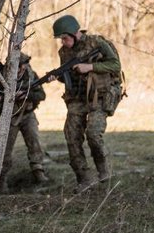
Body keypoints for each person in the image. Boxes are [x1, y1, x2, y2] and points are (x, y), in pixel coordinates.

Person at [51, 15, 123, 192]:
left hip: (100, 95)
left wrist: (90, 67)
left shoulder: (97, 43)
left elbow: (115, 65)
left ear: (75, 33)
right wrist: (58, 76)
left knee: (93, 133)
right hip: (78, 97)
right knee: (71, 135)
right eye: (61, 39)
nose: (63, 42)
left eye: (65, 38)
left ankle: (103, 167)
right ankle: (84, 178)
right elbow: (70, 78)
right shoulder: (64, 53)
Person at [0, 52, 49, 193]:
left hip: (27, 114)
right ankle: (0, 182)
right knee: (3, 151)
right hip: (8, 118)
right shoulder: (0, 77)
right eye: (18, 66)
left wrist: (26, 95)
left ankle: (38, 172)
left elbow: (41, 95)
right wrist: (5, 97)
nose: (21, 70)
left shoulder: (30, 75)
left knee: (34, 142)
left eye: (23, 66)